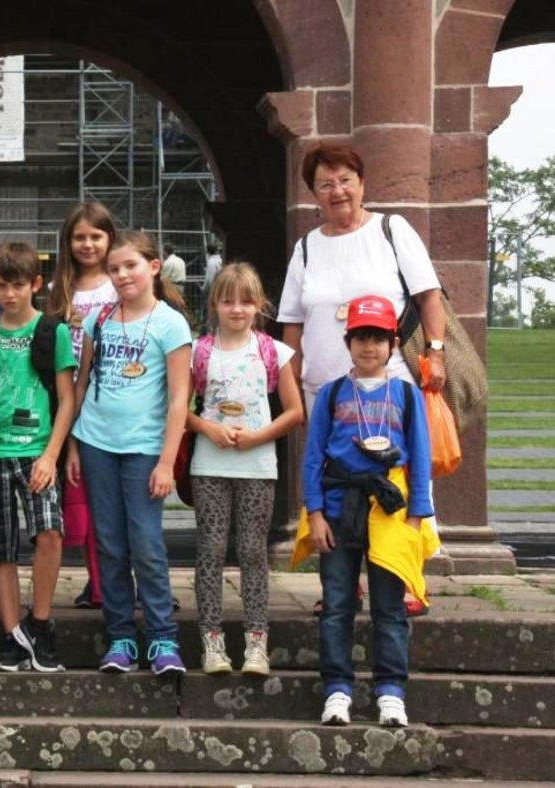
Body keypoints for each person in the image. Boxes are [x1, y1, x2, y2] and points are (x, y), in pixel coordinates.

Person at [277, 142, 446, 618]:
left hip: (387, 385)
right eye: (325, 184)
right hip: (326, 389)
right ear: (313, 193)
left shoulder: (391, 231)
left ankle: (406, 580)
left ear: (362, 182)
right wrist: (292, 381)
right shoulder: (306, 247)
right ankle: (341, 584)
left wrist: (436, 352)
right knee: (335, 481)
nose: (337, 191)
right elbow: (292, 323)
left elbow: (429, 297)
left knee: (396, 479)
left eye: (345, 180)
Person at [292, 295, 437, 727]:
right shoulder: (332, 394)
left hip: (390, 511)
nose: (369, 347)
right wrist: (315, 513)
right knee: (337, 604)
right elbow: (313, 457)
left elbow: (421, 458)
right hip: (338, 510)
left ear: (393, 345)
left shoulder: (406, 394)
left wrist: (417, 515)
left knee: (389, 606)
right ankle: (337, 689)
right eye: (360, 338)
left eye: (377, 339)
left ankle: (391, 690)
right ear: (348, 343)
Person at [67, 230, 191, 676]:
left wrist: (166, 461)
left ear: (153, 267)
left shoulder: (170, 324)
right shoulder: (99, 319)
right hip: (96, 443)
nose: (121, 275)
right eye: (114, 269)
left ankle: (162, 638)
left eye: (130, 266)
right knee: (109, 543)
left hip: (144, 448)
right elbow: (82, 383)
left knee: (146, 543)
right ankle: (120, 636)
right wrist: (73, 446)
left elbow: (179, 398)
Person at [185, 262, 303, 676]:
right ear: (214, 304)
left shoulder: (273, 351)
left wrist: (258, 437)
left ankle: (256, 641)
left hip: (257, 464)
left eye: (246, 301)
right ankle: (211, 640)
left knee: (253, 551)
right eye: (228, 301)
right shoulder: (199, 351)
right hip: (210, 463)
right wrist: (208, 427)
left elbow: (294, 412)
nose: (237, 309)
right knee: (211, 549)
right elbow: (179, 408)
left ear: (259, 305)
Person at [0, 242, 76, 673]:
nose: (9, 294)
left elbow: (66, 399)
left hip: (36, 449)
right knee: (0, 547)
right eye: (1, 286)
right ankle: (12, 635)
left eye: (18, 285)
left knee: (49, 533)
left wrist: (51, 455)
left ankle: (40, 624)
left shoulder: (53, 332)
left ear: (36, 284)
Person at [45, 201, 119, 610]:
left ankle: (125, 581)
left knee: (118, 500)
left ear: (110, 239)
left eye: (96, 236)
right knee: (85, 500)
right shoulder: (60, 290)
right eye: (79, 237)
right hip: (70, 397)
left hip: (113, 394)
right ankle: (99, 582)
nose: (88, 244)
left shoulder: (119, 282)